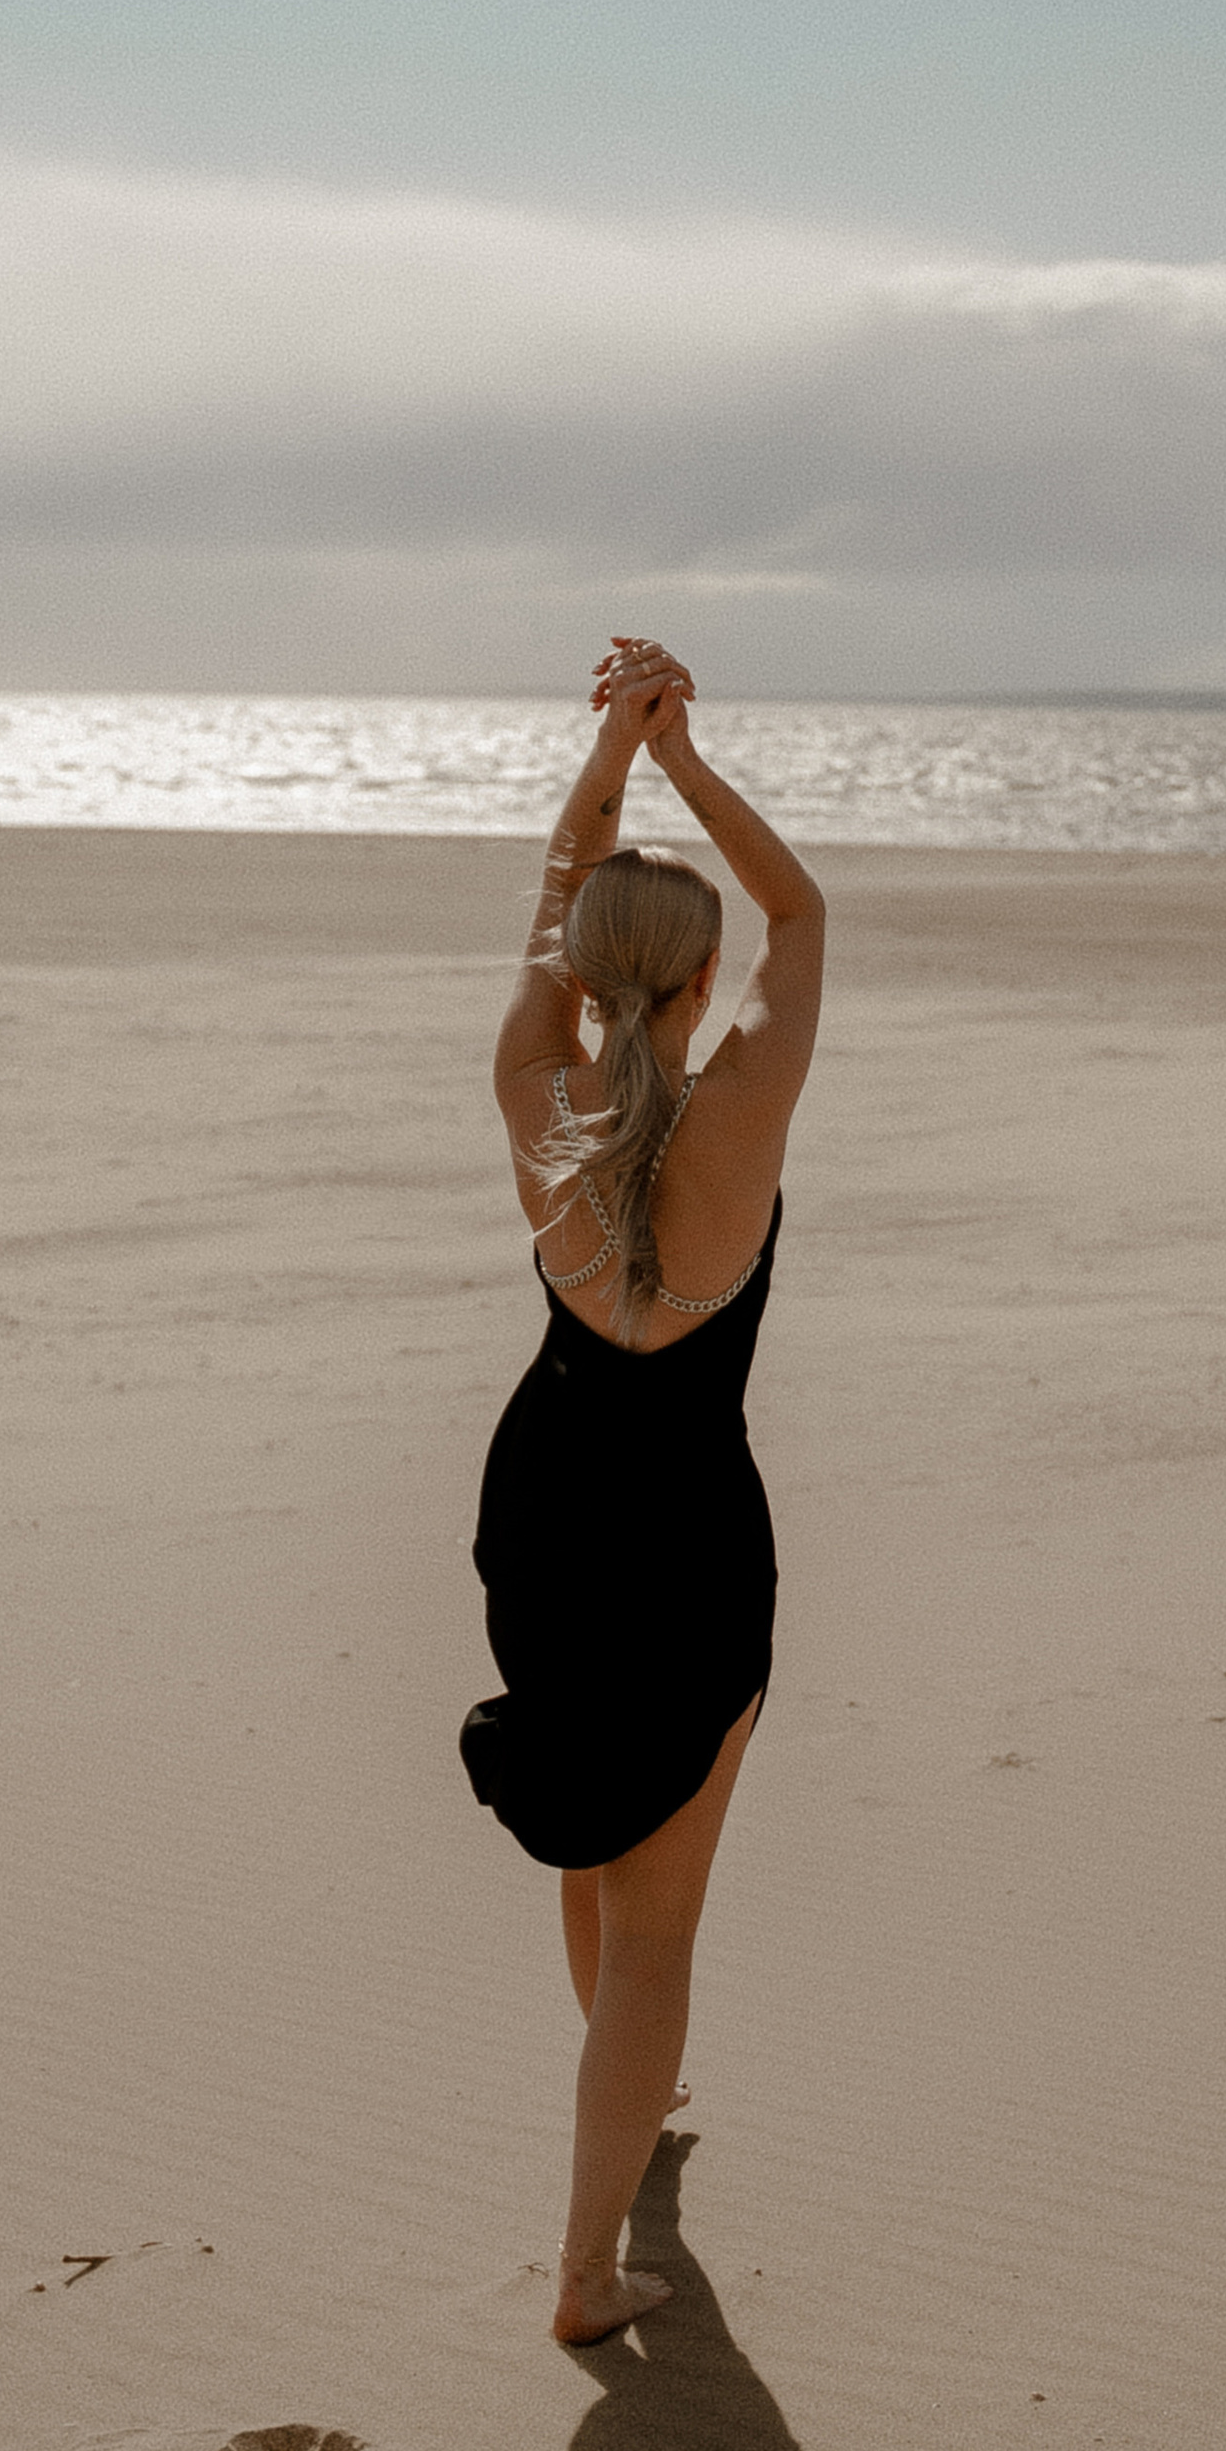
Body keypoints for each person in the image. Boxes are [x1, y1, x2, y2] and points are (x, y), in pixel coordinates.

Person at [463, 639, 826, 2344]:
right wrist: (682, 758)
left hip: (546, 1511)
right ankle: (587, 2270)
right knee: (662, 1920)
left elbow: (555, 899)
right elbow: (804, 920)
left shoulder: (539, 1091)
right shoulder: (740, 1111)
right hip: (685, 1532)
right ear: (697, 989)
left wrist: (614, 749)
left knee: (596, 1859)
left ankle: (628, 2114)